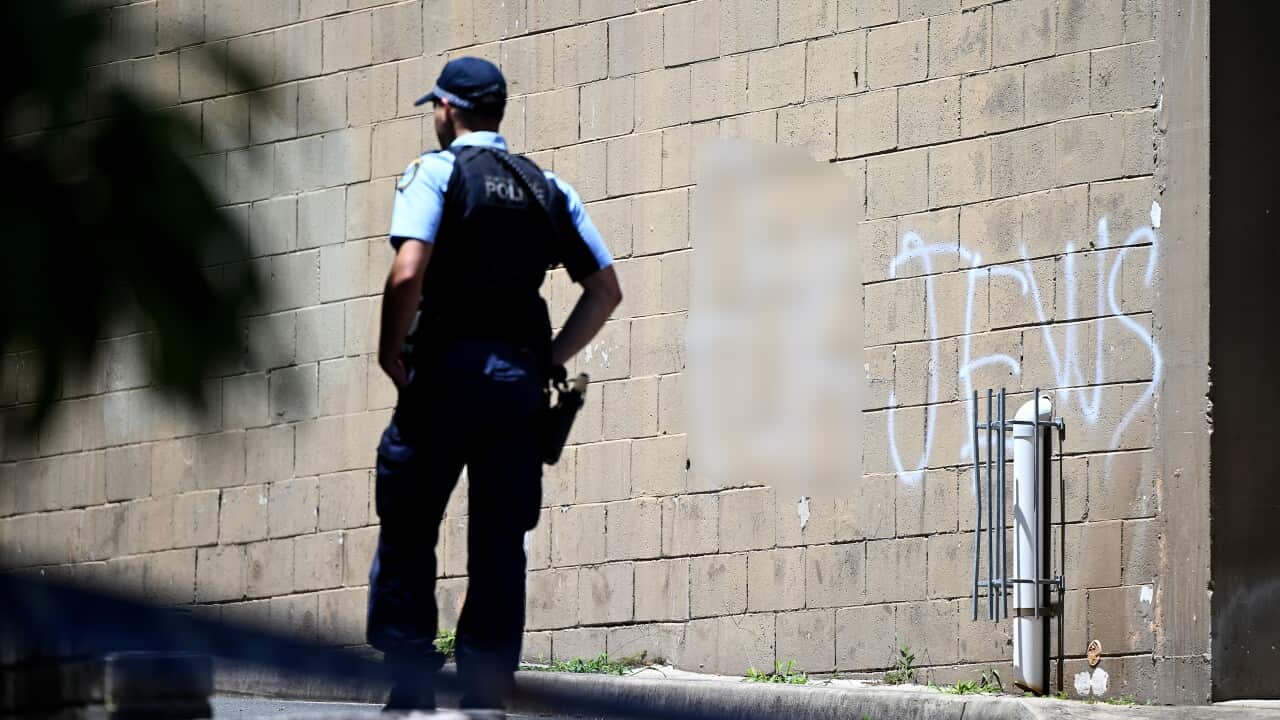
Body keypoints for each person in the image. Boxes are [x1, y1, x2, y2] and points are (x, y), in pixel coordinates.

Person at [366, 56, 622, 713]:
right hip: (515, 383)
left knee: (410, 520)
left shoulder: (437, 172)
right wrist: (549, 359)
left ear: (449, 110)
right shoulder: (548, 189)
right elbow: (604, 290)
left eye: (436, 107)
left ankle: (413, 679)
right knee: (501, 538)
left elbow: (407, 272)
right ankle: (485, 687)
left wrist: (391, 352)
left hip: (445, 373)